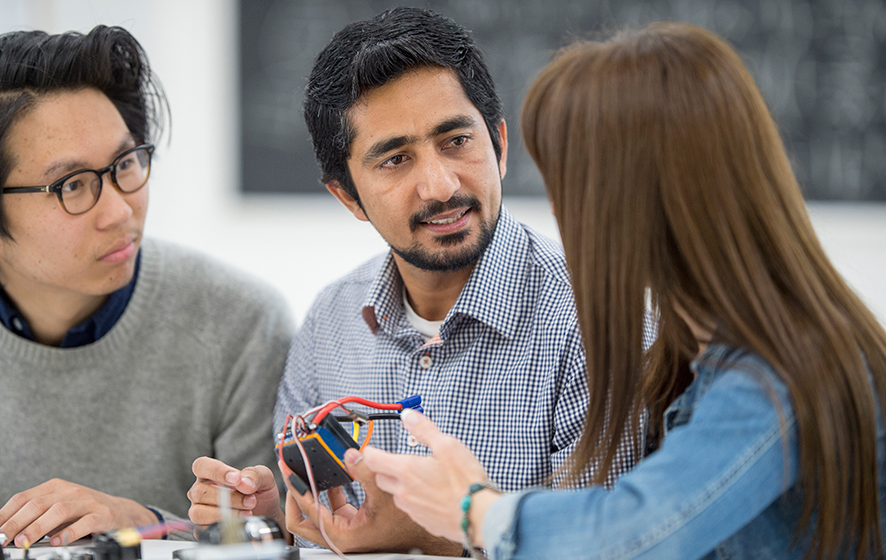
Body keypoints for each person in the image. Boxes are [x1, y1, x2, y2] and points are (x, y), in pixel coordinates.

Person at [361, 21, 886, 560]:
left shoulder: (786, 371)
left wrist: (473, 510)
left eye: (569, 182)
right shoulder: (695, 349)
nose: (560, 211)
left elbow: (637, 535)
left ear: (647, 195)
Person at [187, 6, 643, 556]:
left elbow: (620, 545)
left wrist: (433, 536)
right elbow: (324, 523)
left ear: (499, 146)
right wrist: (273, 520)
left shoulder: (600, 318)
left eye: (455, 141)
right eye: (396, 159)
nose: (439, 185)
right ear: (347, 196)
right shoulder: (331, 325)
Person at [0, 26, 293, 546]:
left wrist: (145, 523)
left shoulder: (242, 324)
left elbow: (268, 538)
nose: (121, 211)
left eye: (125, 164)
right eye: (72, 185)